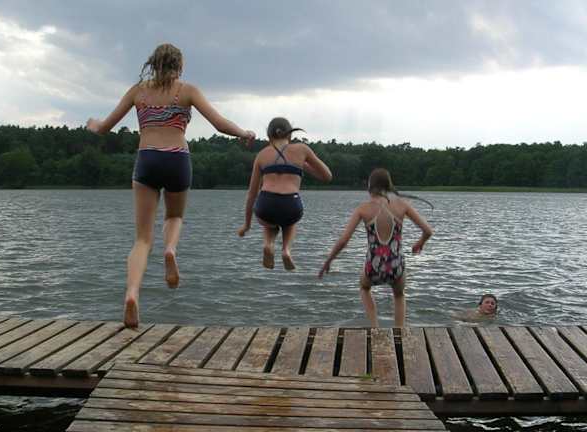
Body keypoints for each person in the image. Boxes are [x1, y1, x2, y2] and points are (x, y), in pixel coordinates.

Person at [87, 43, 255, 328]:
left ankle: (132, 294)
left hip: (147, 158)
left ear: (153, 64)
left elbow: (104, 128)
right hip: (177, 158)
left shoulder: (137, 91)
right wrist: (243, 132)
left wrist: (93, 124)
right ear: (179, 66)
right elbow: (219, 123)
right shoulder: (187, 91)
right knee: (174, 216)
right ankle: (170, 251)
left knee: (142, 239)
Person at [318, 168, 433, 327]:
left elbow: (343, 240)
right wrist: (420, 243)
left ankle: (374, 327)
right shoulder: (402, 205)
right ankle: (399, 331)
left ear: (369, 186)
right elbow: (428, 231)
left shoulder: (363, 209)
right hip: (396, 265)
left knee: (364, 288)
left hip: (373, 265)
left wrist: (328, 261)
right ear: (389, 186)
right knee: (399, 295)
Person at [237, 117, 332, 270]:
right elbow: (327, 176)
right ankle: (286, 250)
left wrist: (246, 225)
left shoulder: (262, 155)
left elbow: (252, 194)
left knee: (269, 222)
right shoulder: (302, 149)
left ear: (269, 137)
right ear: (290, 135)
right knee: (289, 222)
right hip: (291, 204)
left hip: (266, 203)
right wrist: (303, 165)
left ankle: (268, 244)